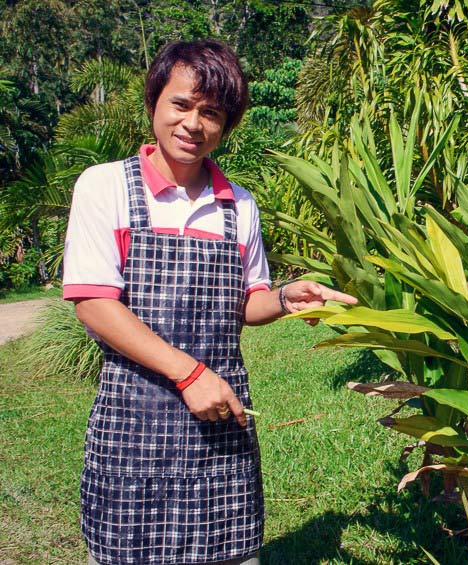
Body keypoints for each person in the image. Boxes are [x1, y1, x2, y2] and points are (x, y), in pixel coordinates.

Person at [62, 40, 356, 565]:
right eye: (181, 104)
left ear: (226, 125)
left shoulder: (238, 204)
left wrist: (288, 298)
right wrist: (189, 375)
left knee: (228, 551)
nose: (193, 124)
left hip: (221, 419)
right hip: (134, 422)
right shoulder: (105, 187)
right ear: (154, 102)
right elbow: (93, 303)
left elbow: (246, 303)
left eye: (211, 113)